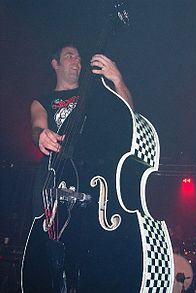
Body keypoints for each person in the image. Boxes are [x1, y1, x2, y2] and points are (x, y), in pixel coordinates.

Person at [22, 41, 135, 293]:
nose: (77, 61)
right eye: (70, 56)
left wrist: (117, 80)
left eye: (79, 58)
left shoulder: (96, 96)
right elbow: (36, 126)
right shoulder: (43, 100)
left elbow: (129, 117)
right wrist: (41, 134)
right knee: (51, 254)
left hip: (90, 186)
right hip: (54, 184)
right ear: (56, 63)